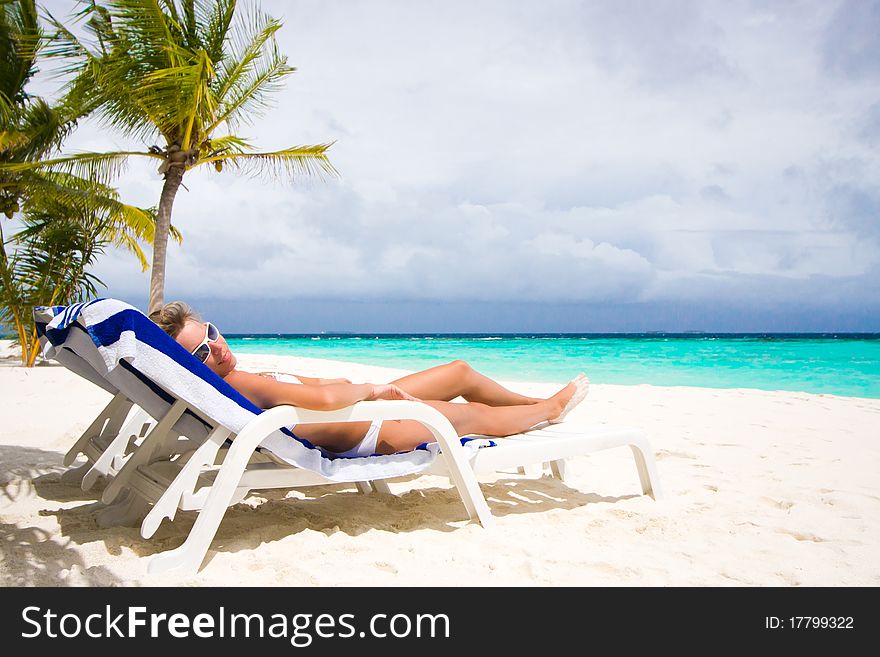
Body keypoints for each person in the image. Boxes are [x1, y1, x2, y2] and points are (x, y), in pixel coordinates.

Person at [150, 302, 590, 457]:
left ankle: (531, 402)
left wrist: (357, 388)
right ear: (193, 365)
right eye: (203, 351)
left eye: (211, 333)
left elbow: (317, 384)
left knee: (458, 371)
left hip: (364, 409)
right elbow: (321, 398)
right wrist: (374, 389)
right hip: (378, 429)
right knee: (465, 415)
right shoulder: (242, 386)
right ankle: (546, 411)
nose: (218, 346)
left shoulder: (243, 376)